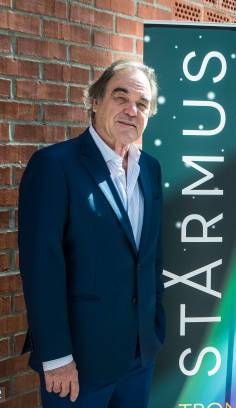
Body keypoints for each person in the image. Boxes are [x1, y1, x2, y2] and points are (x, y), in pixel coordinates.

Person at [18, 59, 165, 408]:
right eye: (120, 96)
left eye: (142, 104)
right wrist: (56, 357)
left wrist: (155, 326)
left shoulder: (151, 169)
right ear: (95, 101)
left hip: (139, 358)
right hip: (78, 365)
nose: (132, 110)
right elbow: (42, 267)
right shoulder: (55, 166)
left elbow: (151, 256)